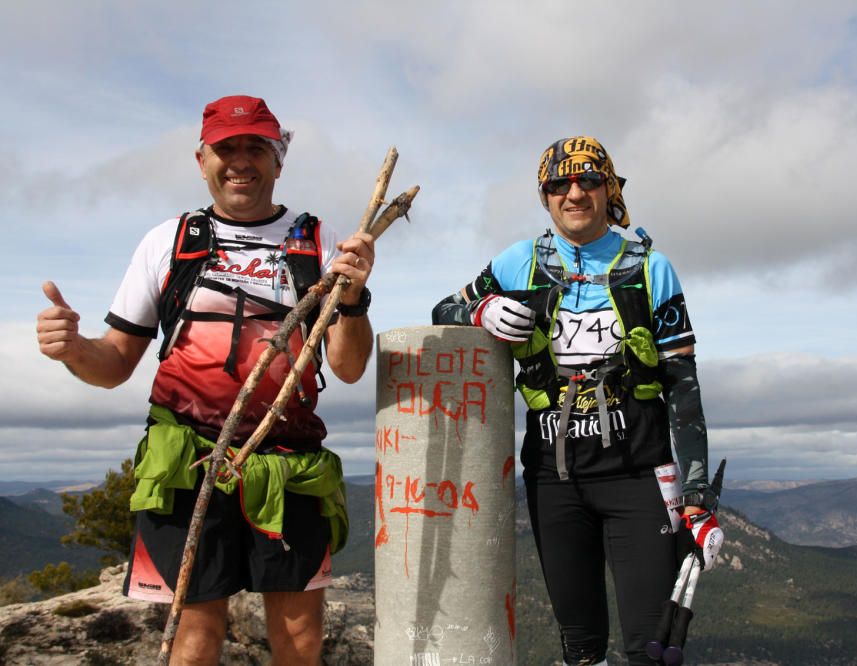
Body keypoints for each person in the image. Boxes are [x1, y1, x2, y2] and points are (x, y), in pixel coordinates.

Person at [36, 95, 375, 665]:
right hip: (186, 458)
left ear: (278, 159)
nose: (241, 161)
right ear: (202, 160)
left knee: (300, 640)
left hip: (289, 460)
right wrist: (73, 349)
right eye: (227, 148)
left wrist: (355, 300)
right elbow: (115, 361)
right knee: (193, 642)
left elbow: (347, 365)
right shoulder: (168, 241)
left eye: (256, 148)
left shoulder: (318, 239)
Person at [432, 136, 722, 665]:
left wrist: (697, 489)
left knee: (649, 651)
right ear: (543, 195)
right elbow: (443, 309)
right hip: (553, 479)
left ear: (608, 188)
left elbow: (683, 384)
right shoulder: (520, 261)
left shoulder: (651, 268)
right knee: (580, 648)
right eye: (558, 183)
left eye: (589, 179)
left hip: (640, 477)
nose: (574, 192)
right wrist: (480, 312)